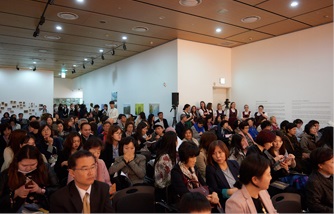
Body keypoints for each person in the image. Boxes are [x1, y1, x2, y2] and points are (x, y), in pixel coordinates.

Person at [0, 145, 59, 212]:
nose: (28, 168)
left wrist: (40, 190)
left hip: (41, 206)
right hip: (16, 207)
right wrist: (16, 193)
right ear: (17, 162)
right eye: (24, 165)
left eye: (33, 165)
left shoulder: (45, 168)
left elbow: (56, 189)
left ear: (38, 162)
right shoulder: (8, 173)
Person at [170, 141, 220, 207]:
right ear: (184, 157)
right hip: (187, 204)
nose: (195, 160)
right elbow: (184, 194)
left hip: (199, 199)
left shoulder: (193, 168)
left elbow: (203, 185)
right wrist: (205, 199)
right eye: (192, 157)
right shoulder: (176, 172)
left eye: (195, 157)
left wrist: (213, 193)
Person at [206, 140, 239, 208]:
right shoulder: (210, 169)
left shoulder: (234, 163)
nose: (218, 156)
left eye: (220, 152)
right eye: (214, 154)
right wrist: (229, 191)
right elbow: (213, 189)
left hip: (241, 197)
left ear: (225, 151)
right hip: (227, 202)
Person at [305, 147, 333, 213]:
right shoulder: (314, 182)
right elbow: (314, 206)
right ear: (320, 165)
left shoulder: (330, 174)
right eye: (332, 162)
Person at [154, 131, 178, 201]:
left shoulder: (169, 154)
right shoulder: (165, 158)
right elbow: (170, 177)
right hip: (164, 190)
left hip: (167, 187)